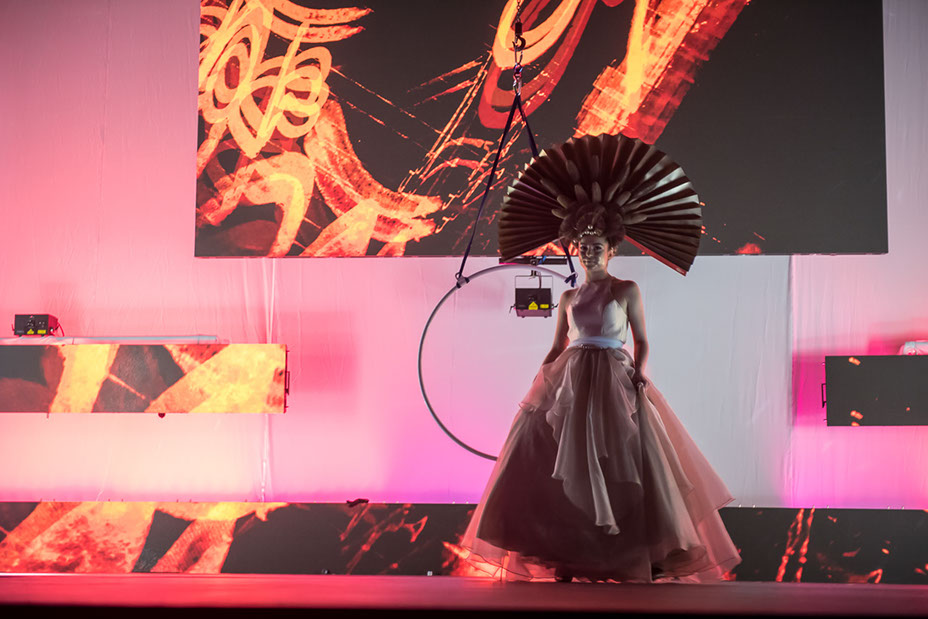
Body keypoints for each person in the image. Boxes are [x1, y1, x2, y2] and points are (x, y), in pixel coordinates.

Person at [460, 218, 742, 583]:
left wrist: (639, 371)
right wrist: (540, 380)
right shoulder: (568, 297)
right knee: (560, 456)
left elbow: (641, 339)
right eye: (583, 248)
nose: (589, 253)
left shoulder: (626, 289)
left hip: (613, 375)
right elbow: (557, 345)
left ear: (611, 251)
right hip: (572, 377)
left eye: (596, 248)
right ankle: (566, 555)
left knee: (625, 457)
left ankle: (633, 553)